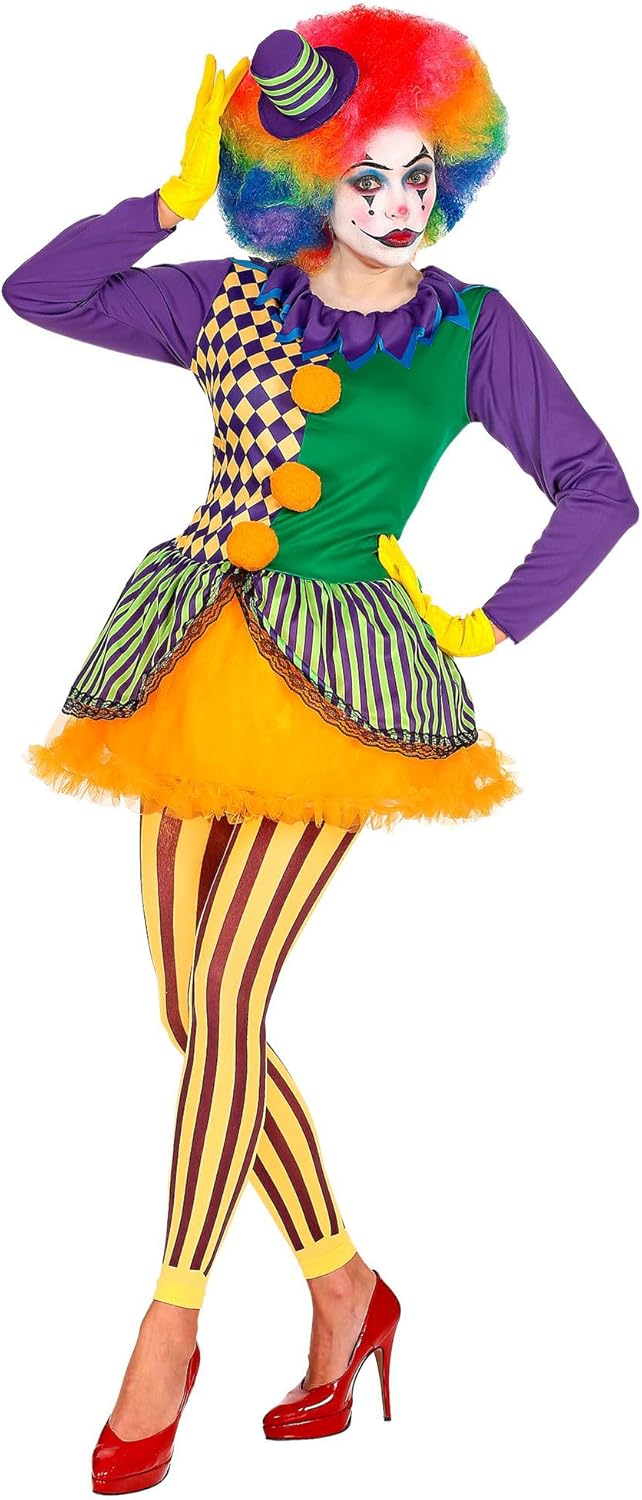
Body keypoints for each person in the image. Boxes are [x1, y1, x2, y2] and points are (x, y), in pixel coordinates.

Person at [2, 4, 637, 1488]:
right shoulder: (228, 295)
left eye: (421, 175)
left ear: (452, 173)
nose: (399, 205)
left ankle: (169, 1323)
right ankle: (346, 1285)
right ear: (300, 182)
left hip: (343, 680)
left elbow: (597, 488)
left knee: (225, 993)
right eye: (365, 178)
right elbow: (39, 292)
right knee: (192, 1009)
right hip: (188, 656)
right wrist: (170, 198)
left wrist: (488, 626)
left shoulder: (471, 329)